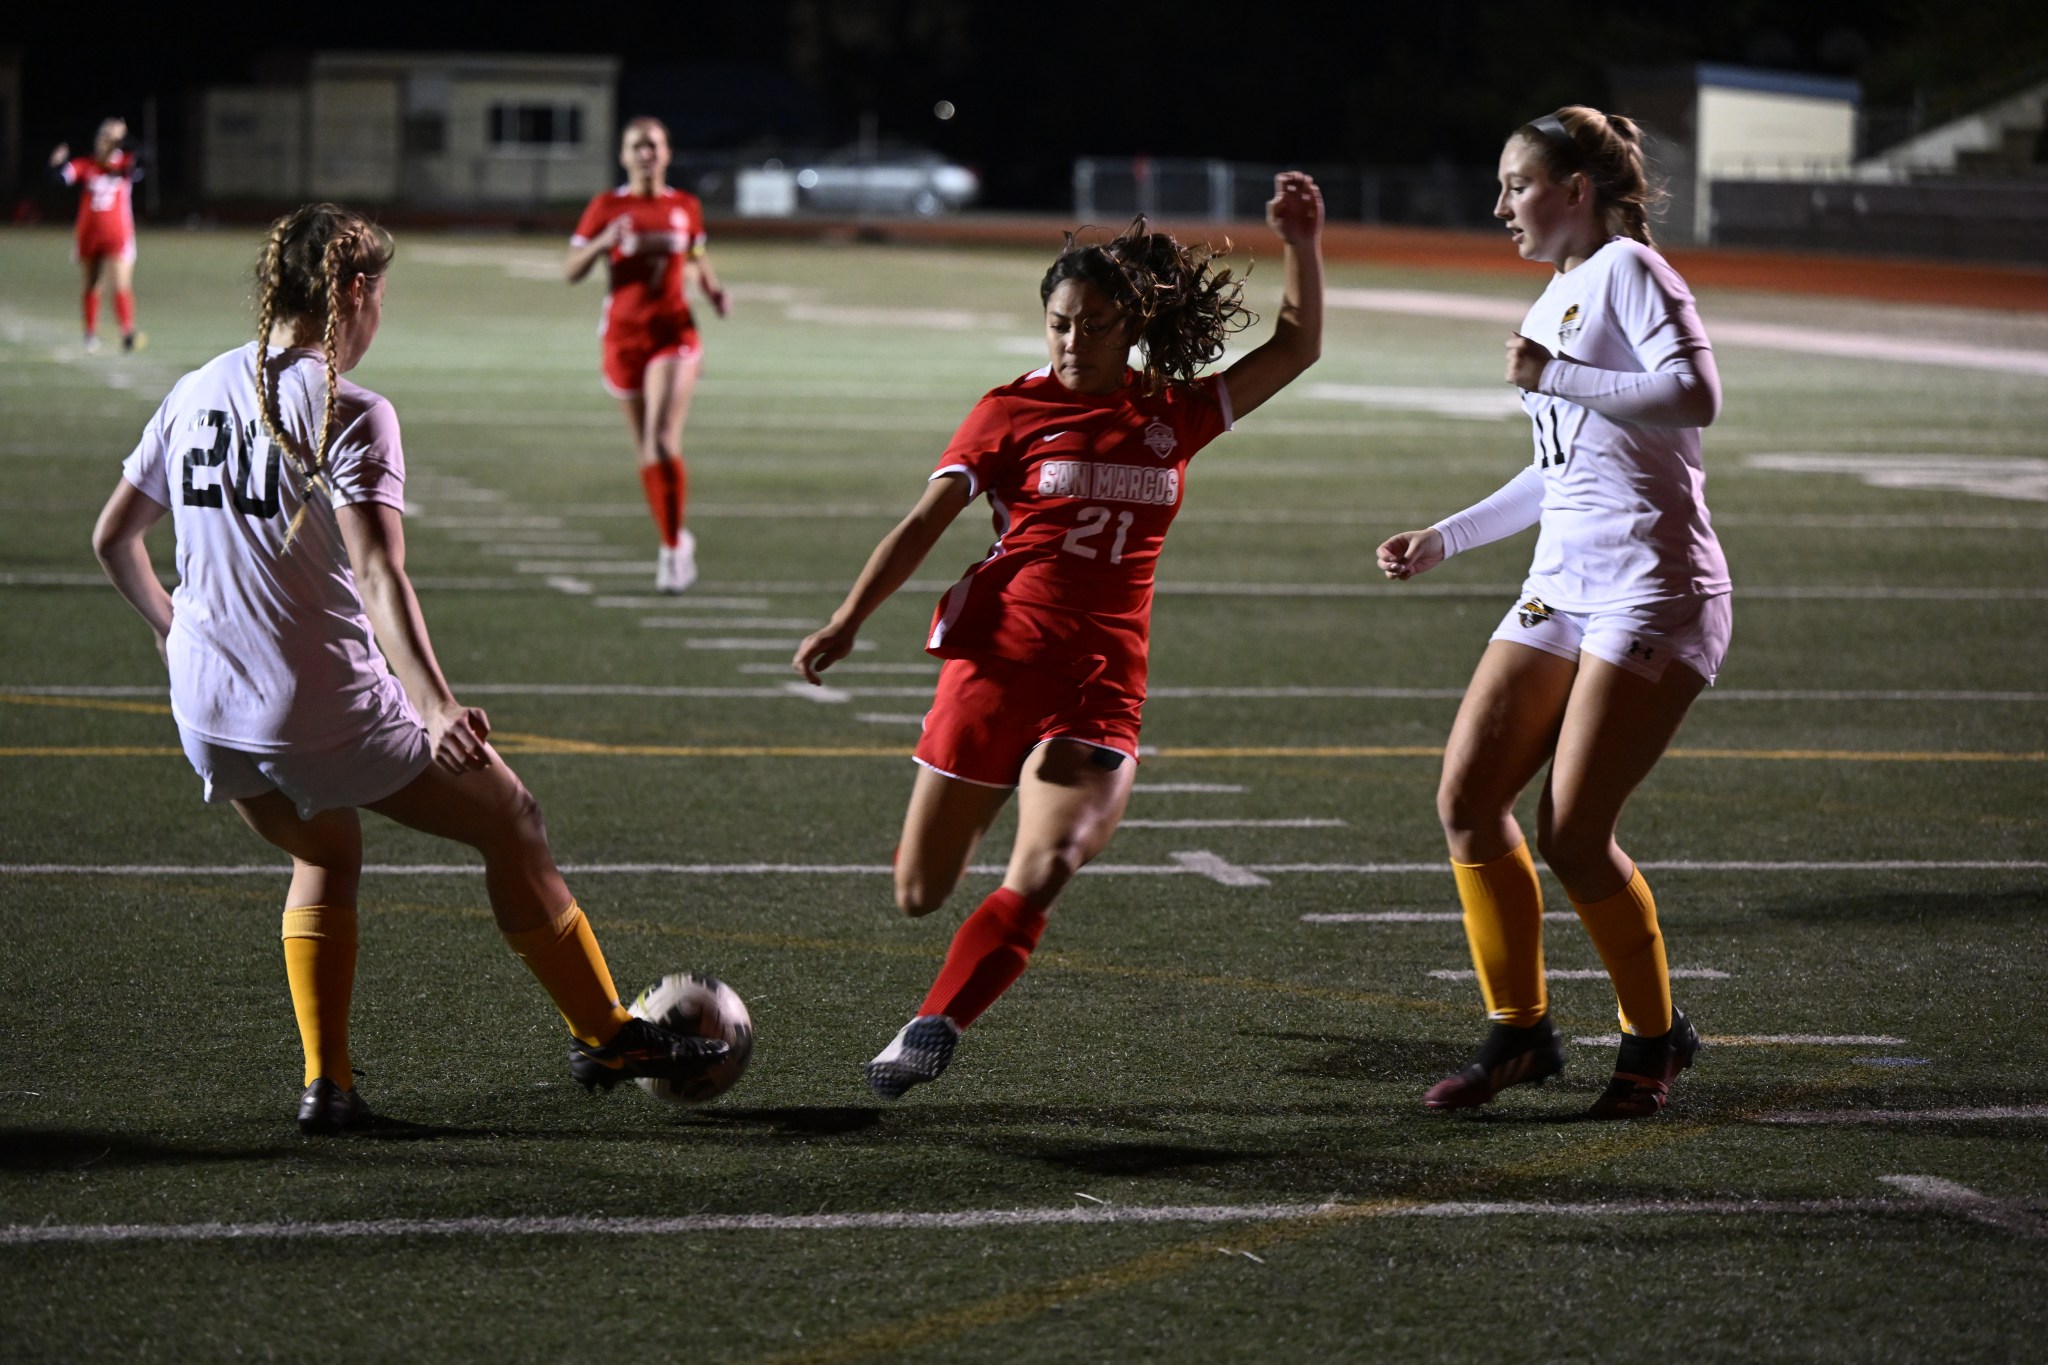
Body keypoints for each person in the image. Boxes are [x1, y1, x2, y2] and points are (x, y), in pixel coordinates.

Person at [91, 203, 725, 1136]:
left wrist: (168, 626)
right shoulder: (351, 409)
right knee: (513, 820)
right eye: (379, 290)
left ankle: (329, 1085)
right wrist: (432, 705)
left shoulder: (196, 385)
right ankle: (607, 1034)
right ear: (353, 292)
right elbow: (383, 573)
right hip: (314, 713)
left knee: (324, 848)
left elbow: (113, 539)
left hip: (207, 708)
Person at [792, 173, 1325, 1099]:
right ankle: (941, 981)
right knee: (920, 889)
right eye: (1060, 324)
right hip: (997, 664)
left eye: (1096, 324)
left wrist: (1302, 242)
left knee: (1047, 864)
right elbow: (924, 522)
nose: (1076, 341)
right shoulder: (1009, 410)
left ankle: (933, 1023)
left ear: (1133, 327)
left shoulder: (1172, 412)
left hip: (1102, 680)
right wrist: (849, 617)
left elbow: (1297, 345)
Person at [1375, 106, 1729, 1120]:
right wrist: (1441, 537)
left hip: (1653, 586)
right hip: (1563, 582)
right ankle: (1519, 1032)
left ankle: (1654, 1042)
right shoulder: (1554, 298)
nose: (1500, 208)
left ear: (1574, 188)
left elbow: (1693, 395)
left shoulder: (1630, 271)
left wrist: (1558, 373)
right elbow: (1557, 468)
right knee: (1465, 802)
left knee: (1571, 835)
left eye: (1516, 185)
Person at [564, 116, 730, 594]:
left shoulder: (684, 205)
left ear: (667, 153)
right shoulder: (607, 206)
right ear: (623, 155)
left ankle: (673, 548)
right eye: (637, 145)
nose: (646, 153)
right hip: (622, 337)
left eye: (653, 145)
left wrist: (713, 289)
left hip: (674, 334)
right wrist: (601, 242)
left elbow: (697, 254)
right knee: (646, 449)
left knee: (660, 438)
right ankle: (674, 537)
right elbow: (571, 269)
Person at [49, 118, 144, 353]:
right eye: (100, 139)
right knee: (91, 283)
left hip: (118, 233)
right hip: (89, 234)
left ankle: (127, 331)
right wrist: (56, 165)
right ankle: (90, 334)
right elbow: (60, 180)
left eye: (107, 139)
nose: (101, 144)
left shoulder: (125, 163)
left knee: (121, 283)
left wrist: (122, 137)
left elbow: (144, 158)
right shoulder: (86, 164)